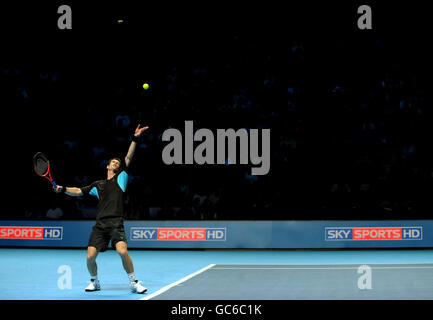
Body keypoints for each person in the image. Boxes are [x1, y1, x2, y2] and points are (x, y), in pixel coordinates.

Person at [54, 124, 149, 294]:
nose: (115, 163)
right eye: (113, 161)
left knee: (122, 251)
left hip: (115, 223)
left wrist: (135, 138)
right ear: (107, 166)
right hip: (100, 225)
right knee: (90, 256)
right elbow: (79, 191)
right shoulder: (98, 185)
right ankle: (95, 281)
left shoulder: (121, 179)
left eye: (117, 163)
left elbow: (128, 157)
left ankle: (134, 281)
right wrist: (63, 188)